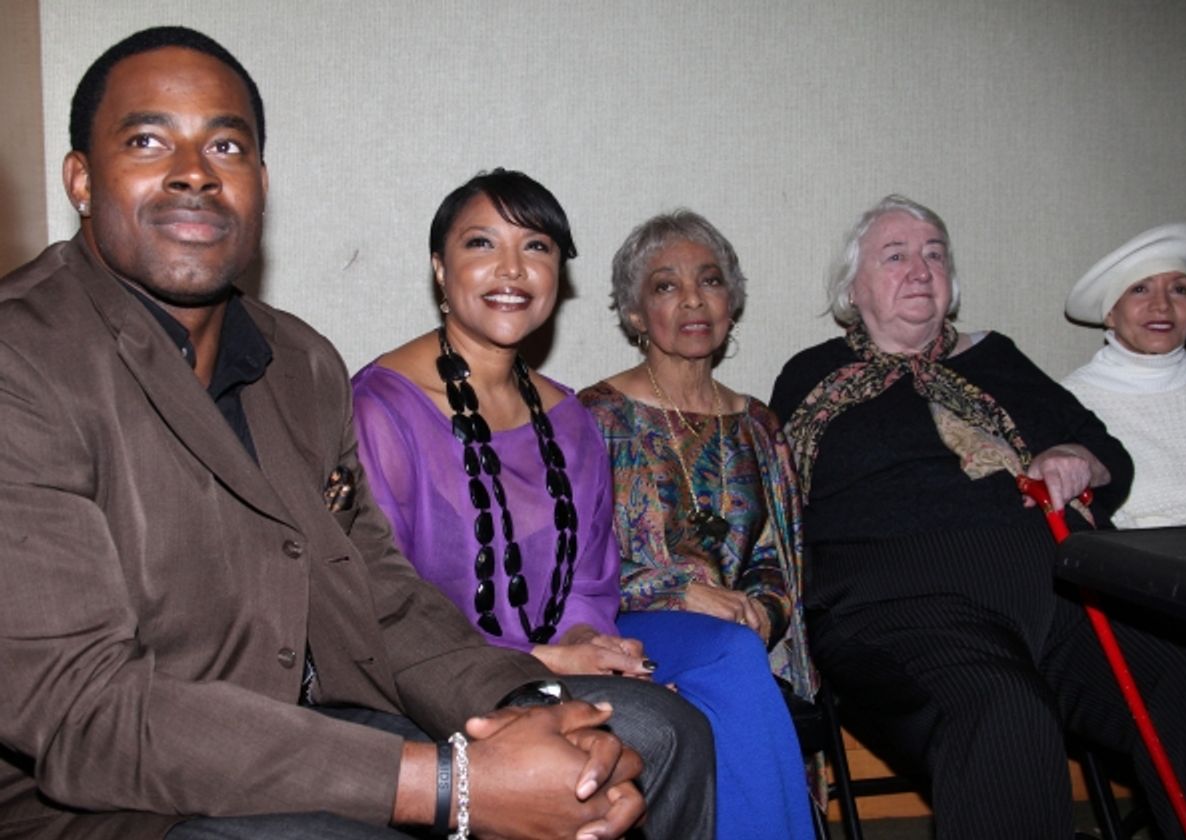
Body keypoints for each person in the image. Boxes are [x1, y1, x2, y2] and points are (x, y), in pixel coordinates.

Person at [0, 28, 710, 840]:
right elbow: (82, 706)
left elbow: (380, 595)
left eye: (225, 144)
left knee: (653, 738)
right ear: (82, 180)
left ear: (259, 185)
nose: (194, 171)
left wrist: (522, 709)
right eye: (149, 139)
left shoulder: (299, 363)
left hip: (316, 727)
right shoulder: (23, 360)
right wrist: (453, 786)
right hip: (115, 797)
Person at [769, 194, 1186, 839]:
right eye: (896, 256)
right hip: (903, 610)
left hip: (1056, 601)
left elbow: (1109, 452)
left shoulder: (996, 358)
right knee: (1005, 712)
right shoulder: (812, 376)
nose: (921, 269)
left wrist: (1079, 457)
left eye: (935, 255)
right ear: (852, 289)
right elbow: (783, 508)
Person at [351, 169, 714, 838]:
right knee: (650, 733)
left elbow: (590, 578)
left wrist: (583, 639)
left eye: (537, 247)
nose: (511, 269)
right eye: (482, 244)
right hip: (423, 687)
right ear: (440, 268)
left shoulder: (570, 418)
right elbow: (380, 610)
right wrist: (549, 663)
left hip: (548, 672)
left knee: (679, 729)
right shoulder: (381, 407)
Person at [578, 210, 817, 838]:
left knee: (736, 649)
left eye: (709, 282)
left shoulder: (760, 427)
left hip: (735, 637)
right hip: (626, 627)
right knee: (731, 654)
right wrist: (678, 591)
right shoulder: (593, 417)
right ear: (634, 313)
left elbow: (779, 555)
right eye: (665, 285)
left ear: (731, 302)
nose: (692, 299)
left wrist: (765, 609)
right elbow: (574, 565)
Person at [1062, 222, 1186, 528]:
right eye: (1140, 289)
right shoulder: (1072, 401)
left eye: (1178, 289)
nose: (1162, 305)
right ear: (1110, 313)